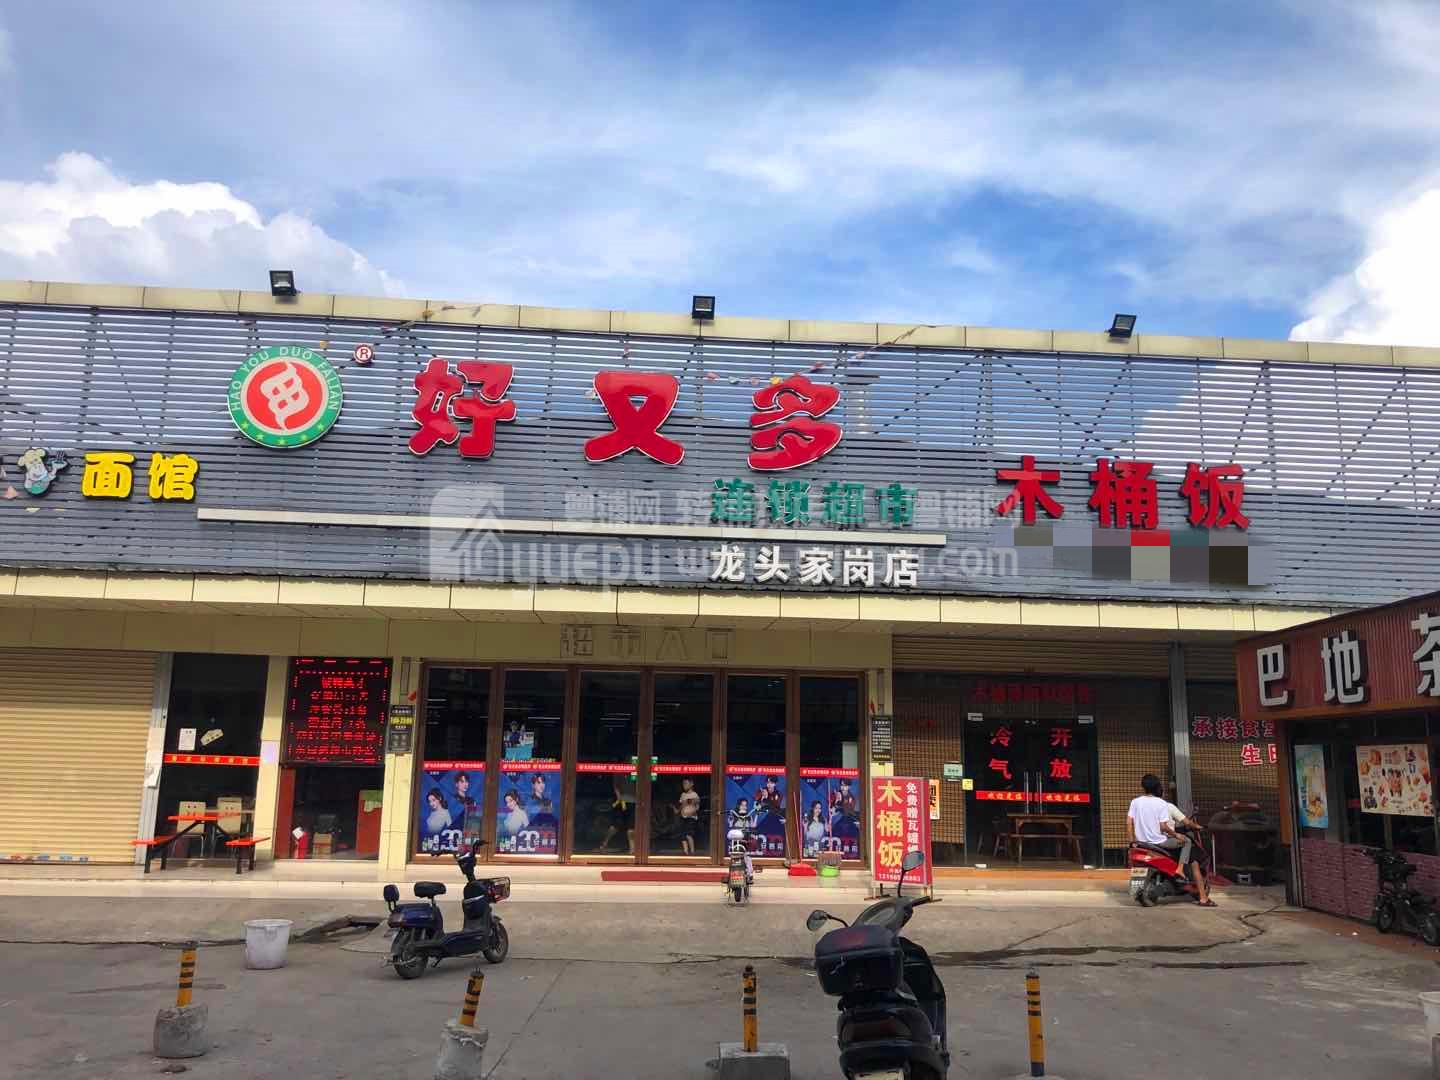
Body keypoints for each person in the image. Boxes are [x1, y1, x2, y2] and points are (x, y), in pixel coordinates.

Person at [1128, 773, 1213, 906]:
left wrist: (1132, 840)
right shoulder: (1162, 803)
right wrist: (1176, 835)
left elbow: (1129, 822)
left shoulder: (1135, 802)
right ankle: (1180, 870)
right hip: (1159, 842)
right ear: (1158, 787)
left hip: (1141, 843)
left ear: (1143, 787)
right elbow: (1163, 827)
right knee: (1187, 841)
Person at [600, 773, 637, 853]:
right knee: (616, 825)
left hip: (632, 801)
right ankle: (604, 843)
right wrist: (619, 798)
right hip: (622, 802)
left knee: (631, 826)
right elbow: (616, 786)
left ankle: (632, 848)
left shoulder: (635, 771)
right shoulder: (619, 771)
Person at [677, 778, 702, 855]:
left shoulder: (694, 794)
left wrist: (693, 812)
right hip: (683, 817)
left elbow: (697, 806)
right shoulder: (683, 795)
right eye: (683, 784)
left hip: (691, 818)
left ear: (691, 784)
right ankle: (686, 851)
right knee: (682, 835)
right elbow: (681, 805)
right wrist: (678, 811)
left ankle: (692, 851)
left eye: (686, 783)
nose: (684, 785)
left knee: (688, 834)